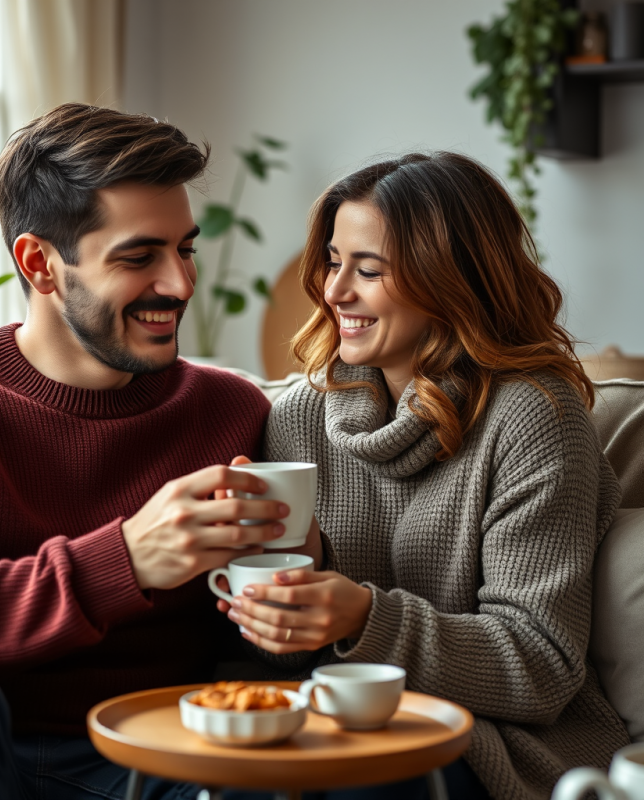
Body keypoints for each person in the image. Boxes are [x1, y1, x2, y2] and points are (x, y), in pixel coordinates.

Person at [0, 103, 291, 800]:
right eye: (140, 256)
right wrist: (125, 560)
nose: (179, 284)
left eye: (185, 249)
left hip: (159, 762)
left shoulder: (233, 410)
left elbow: (259, 650)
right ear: (40, 264)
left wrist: (299, 572)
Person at [218, 152, 630, 800]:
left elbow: (540, 666)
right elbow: (280, 661)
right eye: (332, 260)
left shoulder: (532, 419)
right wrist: (291, 589)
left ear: (449, 280)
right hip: (327, 721)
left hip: (490, 743)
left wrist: (361, 617)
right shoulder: (299, 416)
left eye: (369, 269)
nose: (334, 291)